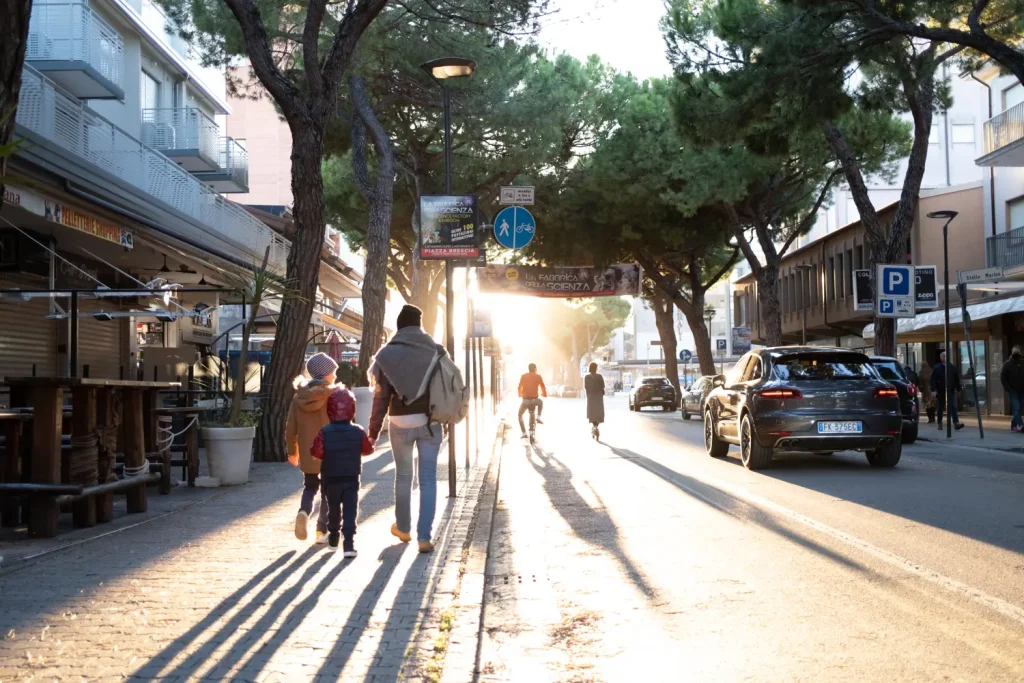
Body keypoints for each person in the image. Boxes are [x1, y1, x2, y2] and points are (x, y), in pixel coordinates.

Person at [369, 305, 444, 554]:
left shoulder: (387, 354)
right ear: (419, 325)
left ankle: (403, 527)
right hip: (430, 422)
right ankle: (425, 536)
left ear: (399, 326)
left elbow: (380, 398)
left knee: (403, 477)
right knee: (428, 479)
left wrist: (372, 431)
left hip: (399, 423)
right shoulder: (436, 350)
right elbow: (446, 387)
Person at [309, 389, 374, 556]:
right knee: (350, 509)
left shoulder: (325, 432)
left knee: (333, 508)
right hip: (351, 476)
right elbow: (368, 449)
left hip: (330, 476)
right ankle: (349, 544)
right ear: (352, 409)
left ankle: (333, 537)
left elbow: (316, 452)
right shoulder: (358, 431)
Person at [286, 352, 338, 544]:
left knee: (310, 486)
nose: (335, 376)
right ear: (325, 375)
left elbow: (291, 427)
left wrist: (292, 452)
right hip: (330, 451)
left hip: (308, 452)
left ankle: (304, 511)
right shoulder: (333, 395)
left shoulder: (299, 397)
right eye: (333, 372)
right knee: (327, 490)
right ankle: (321, 531)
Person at [930, 351, 964, 430]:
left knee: (952, 406)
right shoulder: (937, 368)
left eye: (945, 356)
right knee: (941, 407)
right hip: (940, 390)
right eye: (943, 356)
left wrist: (958, 389)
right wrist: (933, 390)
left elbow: (956, 379)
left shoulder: (952, 367)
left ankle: (956, 423)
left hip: (950, 390)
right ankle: (939, 422)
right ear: (940, 358)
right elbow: (933, 380)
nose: (944, 357)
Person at [517, 363, 548, 438]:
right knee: (541, 402)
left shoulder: (523, 376)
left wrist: (520, 394)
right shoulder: (538, 376)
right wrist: (544, 394)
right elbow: (543, 387)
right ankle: (538, 417)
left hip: (525, 401)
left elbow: (519, 387)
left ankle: (524, 433)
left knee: (520, 415)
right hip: (535, 400)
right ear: (535, 369)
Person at [1000, 345, 1024, 432]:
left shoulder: (1022, 363)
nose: (1016, 354)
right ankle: (1020, 425)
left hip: (1022, 390)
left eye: (1018, 352)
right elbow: (1003, 377)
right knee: (1016, 407)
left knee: (1020, 408)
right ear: (1011, 353)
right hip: (1012, 390)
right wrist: (1008, 388)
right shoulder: (1007, 364)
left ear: (1021, 353)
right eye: (1014, 352)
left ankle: (1014, 425)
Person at [584, 362, 605, 439]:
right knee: (598, 413)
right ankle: (596, 427)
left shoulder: (586, 377)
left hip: (591, 397)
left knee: (592, 413)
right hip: (598, 397)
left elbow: (586, 387)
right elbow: (602, 386)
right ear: (596, 368)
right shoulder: (599, 376)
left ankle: (594, 427)